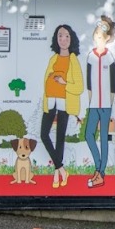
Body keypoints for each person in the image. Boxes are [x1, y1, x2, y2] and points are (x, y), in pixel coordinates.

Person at [41, 24, 83, 189]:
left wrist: (64, 82)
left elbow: (79, 86)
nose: (63, 39)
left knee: (60, 138)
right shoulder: (53, 58)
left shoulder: (73, 59)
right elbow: (46, 79)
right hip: (51, 100)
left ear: (71, 39)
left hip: (65, 103)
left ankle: (57, 173)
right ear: (56, 39)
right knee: (44, 134)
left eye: (66, 36)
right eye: (60, 36)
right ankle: (61, 169)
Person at [83, 17, 115, 189]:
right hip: (94, 103)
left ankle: (100, 174)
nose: (97, 37)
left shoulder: (110, 57)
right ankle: (99, 168)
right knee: (88, 135)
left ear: (107, 39)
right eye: (96, 34)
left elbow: (114, 82)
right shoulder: (90, 57)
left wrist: (110, 102)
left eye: (101, 35)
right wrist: (90, 100)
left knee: (103, 137)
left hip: (105, 104)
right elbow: (88, 82)